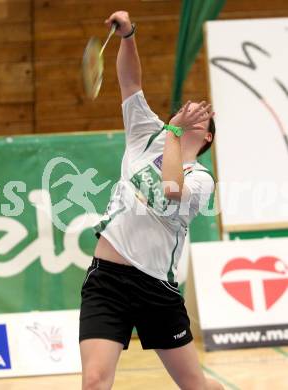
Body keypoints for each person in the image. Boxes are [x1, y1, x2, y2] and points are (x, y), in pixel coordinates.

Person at [79, 10, 223, 390]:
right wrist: (128, 35)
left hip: (155, 287)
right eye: (189, 105)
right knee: (94, 381)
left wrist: (174, 133)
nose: (194, 109)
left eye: (203, 114)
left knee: (196, 386)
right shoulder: (147, 134)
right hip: (106, 279)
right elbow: (130, 82)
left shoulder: (202, 179)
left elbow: (171, 188)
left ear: (207, 138)